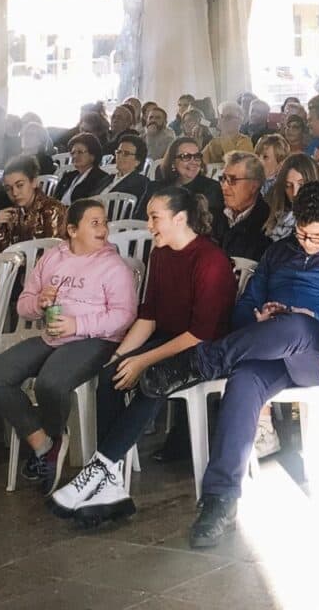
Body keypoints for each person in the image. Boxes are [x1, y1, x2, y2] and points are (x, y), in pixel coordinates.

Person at [137, 181, 319, 548]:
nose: (307, 243)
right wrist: (255, 317)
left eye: (318, 237)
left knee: (297, 325)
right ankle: (219, 499)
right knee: (244, 380)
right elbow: (244, 306)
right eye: (302, 233)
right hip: (271, 348)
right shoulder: (278, 253)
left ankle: (200, 362)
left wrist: (315, 314)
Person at [49, 186, 235, 526]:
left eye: (155, 218)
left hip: (207, 349)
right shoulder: (161, 253)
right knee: (112, 375)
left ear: (180, 219)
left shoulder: (211, 261)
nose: (149, 226)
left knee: (151, 379)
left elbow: (200, 334)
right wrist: (122, 355)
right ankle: (113, 487)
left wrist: (143, 360)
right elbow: (148, 317)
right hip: (170, 338)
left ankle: (99, 468)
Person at [0, 199, 138, 487]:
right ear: (72, 229)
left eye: (104, 222)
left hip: (96, 340)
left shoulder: (114, 266)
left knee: (50, 383)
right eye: (94, 222)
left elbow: (124, 316)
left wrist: (77, 324)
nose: (103, 228)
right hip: (52, 336)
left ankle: (50, 441)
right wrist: (40, 304)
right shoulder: (52, 258)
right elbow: (24, 305)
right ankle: (45, 444)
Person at [152, 136, 226, 224]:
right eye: (186, 157)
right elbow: (139, 221)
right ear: (173, 162)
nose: (193, 161)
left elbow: (208, 227)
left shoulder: (212, 189)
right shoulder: (154, 188)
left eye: (197, 156)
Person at [217, 152, 273, 262]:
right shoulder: (213, 214)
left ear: (254, 185)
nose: (224, 187)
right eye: (223, 179)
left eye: (232, 180)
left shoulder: (269, 224)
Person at [51, 134, 113, 205]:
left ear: (93, 155)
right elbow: (55, 199)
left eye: (80, 152)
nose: (75, 156)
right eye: (73, 153)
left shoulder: (101, 178)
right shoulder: (68, 176)